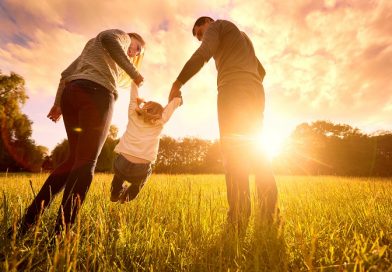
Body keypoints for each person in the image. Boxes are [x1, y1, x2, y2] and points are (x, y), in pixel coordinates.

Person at [11, 29, 146, 236]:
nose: (134, 53)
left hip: (72, 94)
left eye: (137, 53)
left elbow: (66, 75)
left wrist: (58, 104)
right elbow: (110, 38)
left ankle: (27, 222)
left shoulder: (92, 47)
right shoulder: (121, 36)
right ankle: (62, 233)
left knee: (73, 160)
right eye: (137, 48)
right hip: (97, 95)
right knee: (86, 163)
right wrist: (134, 73)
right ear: (131, 38)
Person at [168, 17, 278, 225]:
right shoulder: (242, 37)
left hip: (232, 89)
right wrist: (248, 81)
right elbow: (261, 71)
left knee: (234, 152)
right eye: (199, 37)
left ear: (208, 22)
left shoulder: (217, 26)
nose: (201, 39)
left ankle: (238, 218)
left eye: (201, 33)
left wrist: (178, 82)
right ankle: (270, 215)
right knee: (258, 151)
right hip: (255, 91)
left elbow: (203, 54)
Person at [110, 82, 182, 203]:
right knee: (143, 177)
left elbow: (133, 97)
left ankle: (115, 193)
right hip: (140, 170)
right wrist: (177, 98)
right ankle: (127, 197)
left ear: (145, 107)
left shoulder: (133, 114)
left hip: (121, 164)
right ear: (159, 113)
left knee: (119, 174)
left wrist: (135, 83)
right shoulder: (160, 121)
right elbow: (171, 108)